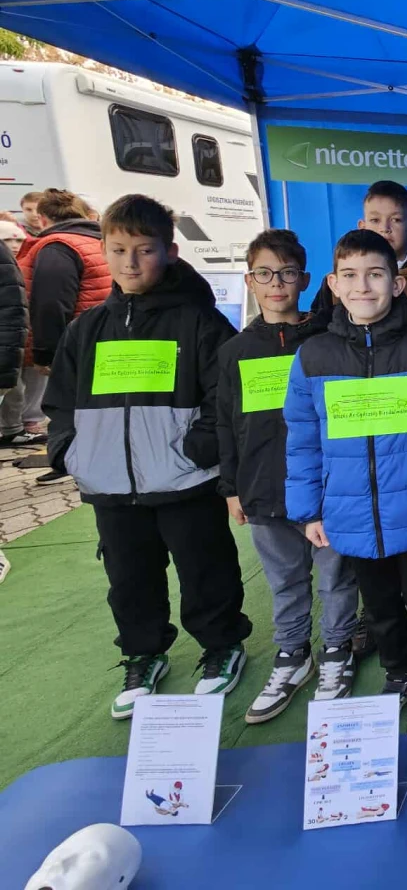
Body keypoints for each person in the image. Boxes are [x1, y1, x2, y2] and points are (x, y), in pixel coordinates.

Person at [44, 194, 250, 719]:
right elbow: (60, 400)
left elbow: (225, 395)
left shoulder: (199, 322)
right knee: (129, 577)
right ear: (104, 251)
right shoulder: (86, 329)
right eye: (118, 250)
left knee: (205, 568)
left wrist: (197, 448)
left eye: (144, 250)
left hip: (186, 481)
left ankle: (221, 645)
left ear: (170, 251)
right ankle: (143, 654)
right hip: (112, 484)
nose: (131, 263)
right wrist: (70, 451)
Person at [285, 229, 407, 737]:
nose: (363, 286)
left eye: (375, 274)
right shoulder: (313, 357)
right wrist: (308, 508)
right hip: (350, 511)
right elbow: (302, 438)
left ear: (396, 284)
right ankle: (396, 670)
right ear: (333, 284)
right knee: (379, 605)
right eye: (350, 276)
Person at [217, 229, 358, 723]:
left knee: (336, 577)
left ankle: (338, 648)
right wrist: (231, 487)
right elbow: (225, 422)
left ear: (303, 279)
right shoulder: (234, 351)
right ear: (249, 281)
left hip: (326, 487)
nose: (276, 283)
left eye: (286, 273)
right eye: (264, 273)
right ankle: (293, 654)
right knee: (285, 581)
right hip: (262, 487)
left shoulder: (326, 341)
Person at [9, 190, 110, 478]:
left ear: (42, 218)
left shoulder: (57, 247)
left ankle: (72, 463)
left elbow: (51, 305)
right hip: (99, 339)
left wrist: (46, 354)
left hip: (74, 345)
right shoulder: (95, 240)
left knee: (69, 409)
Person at [310, 180, 407, 311]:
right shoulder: (337, 283)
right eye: (375, 220)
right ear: (362, 228)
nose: (384, 228)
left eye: (396, 220)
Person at [0, 212, 43, 445]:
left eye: (18, 239)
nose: (15, 245)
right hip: (14, 336)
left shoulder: (28, 261)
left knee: (18, 387)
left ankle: (14, 428)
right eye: (8, 240)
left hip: (20, 336)